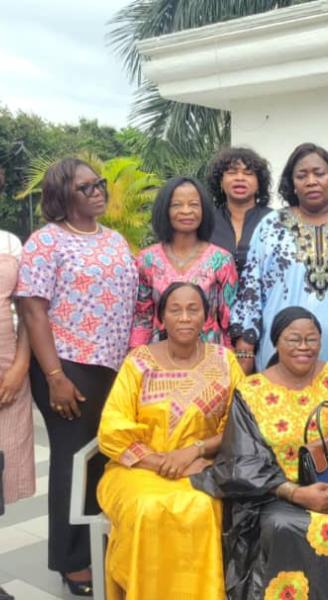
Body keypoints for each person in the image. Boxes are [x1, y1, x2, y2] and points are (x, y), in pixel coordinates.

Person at [194, 306, 328, 600]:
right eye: (293, 339)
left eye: (311, 339)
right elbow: (243, 460)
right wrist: (297, 493)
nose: (303, 347)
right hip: (278, 492)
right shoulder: (252, 390)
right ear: (276, 342)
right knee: (281, 526)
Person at [15, 157, 138, 596]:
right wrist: (53, 375)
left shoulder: (115, 240)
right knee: (73, 458)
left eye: (99, 183)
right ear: (63, 195)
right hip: (66, 363)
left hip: (112, 363)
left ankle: (94, 541)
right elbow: (32, 308)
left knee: (102, 456)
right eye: (86, 187)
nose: (98, 190)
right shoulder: (46, 242)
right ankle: (71, 561)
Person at [97, 282, 244, 600]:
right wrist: (159, 461)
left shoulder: (225, 362)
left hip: (202, 466)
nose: (185, 317)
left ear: (206, 317)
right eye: (175, 309)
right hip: (137, 468)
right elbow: (112, 427)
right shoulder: (138, 362)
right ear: (161, 318)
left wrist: (195, 452)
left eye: (193, 309)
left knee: (201, 505)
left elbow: (241, 424)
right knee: (147, 508)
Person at [232, 143, 328, 373]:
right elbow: (250, 291)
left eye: (319, 174)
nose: (311, 181)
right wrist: (245, 347)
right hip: (279, 349)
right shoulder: (270, 226)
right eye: (301, 175)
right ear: (292, 184)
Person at [129, 176, 238, 348]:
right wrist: (135, 357)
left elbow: (230, 319)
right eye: (176, 205)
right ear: (164, 210)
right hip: (160, 358)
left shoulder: (221, 260)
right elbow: (142, 317)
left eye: (194, 204)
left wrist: (233, 363)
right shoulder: (147, 260)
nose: (186, 211)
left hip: (210, 358)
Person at [0, 170, 35, 507]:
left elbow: (27, 311)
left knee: (3, 479)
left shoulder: (9, 242)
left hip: (6, 376)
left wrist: (20, 366)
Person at [207, 147, 272, 275]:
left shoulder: (274, 221)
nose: (240, 178)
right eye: (232, 172)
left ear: (259, 183)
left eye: (248, 173)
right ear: (220, 181)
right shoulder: (206, 221)